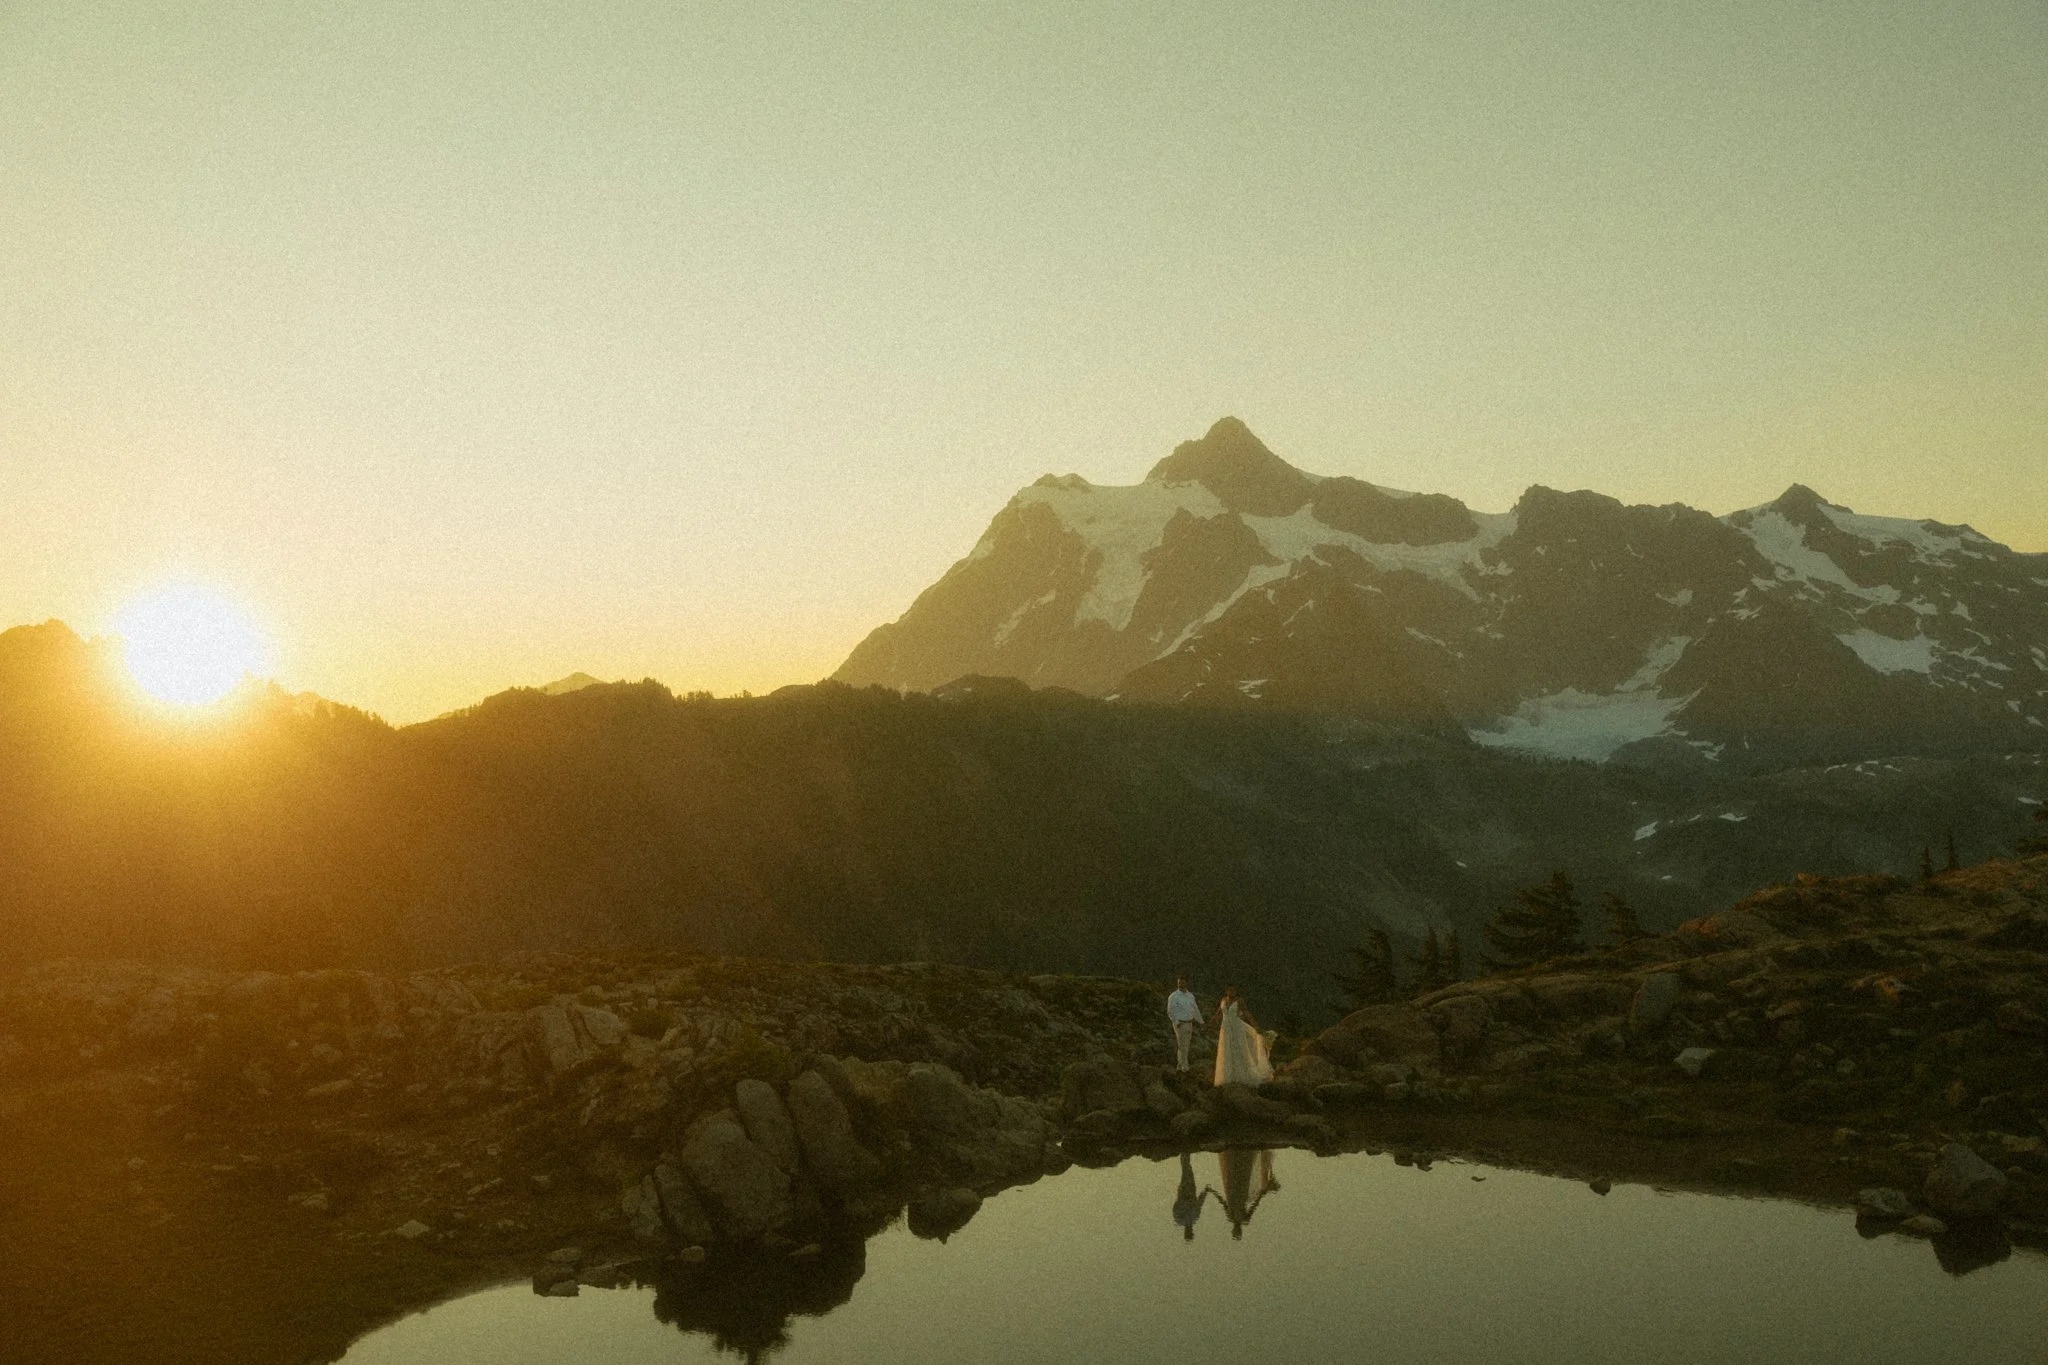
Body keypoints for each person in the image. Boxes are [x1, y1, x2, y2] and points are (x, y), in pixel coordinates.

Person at [1212, 984, 1274, 1088]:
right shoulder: (1223, 1000)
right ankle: (1228, 1076)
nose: (1232, 992)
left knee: (1239, 1049)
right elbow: (1218, 1014)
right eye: (1230, 990)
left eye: (1234, 990)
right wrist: (1210, 1024)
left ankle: (1241, 1076)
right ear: (1226, 991)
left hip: (1236, 1028)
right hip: (1225, 1029)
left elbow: (1246, 1013)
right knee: (1226, 1050)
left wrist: (1256, 1026)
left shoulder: (1239, 1001)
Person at [1166, 975, 1205, 1072]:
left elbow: (1195, 1009)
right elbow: (1170, 1011)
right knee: (1182, 1044)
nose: (1180, 984)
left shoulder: (1190, 996)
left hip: (1189, 1023)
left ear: (1186, 983)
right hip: (1180, 1024)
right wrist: (1176, 1021)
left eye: (1182, 982)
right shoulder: (1173, 996)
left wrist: (1201, 1022)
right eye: (1179, 983)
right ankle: (1184, 1066)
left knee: (1185, 1045)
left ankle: (1180, 1065)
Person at [1171, 1152, 1209, 1241]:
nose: (1191, 1231)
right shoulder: (1192, 1218)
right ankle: (1185, 1153)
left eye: (1190, 1233)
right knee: (1187, 1170)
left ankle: (1184, 1152)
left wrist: (1182, 1200)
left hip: (1185, 1193)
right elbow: (1199, 1203)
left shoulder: (1180, 1219)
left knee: (1186, 1170)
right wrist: (1205, 1192)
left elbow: (1175, 1207)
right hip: (1189, 1191)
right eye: (1191, 1233)